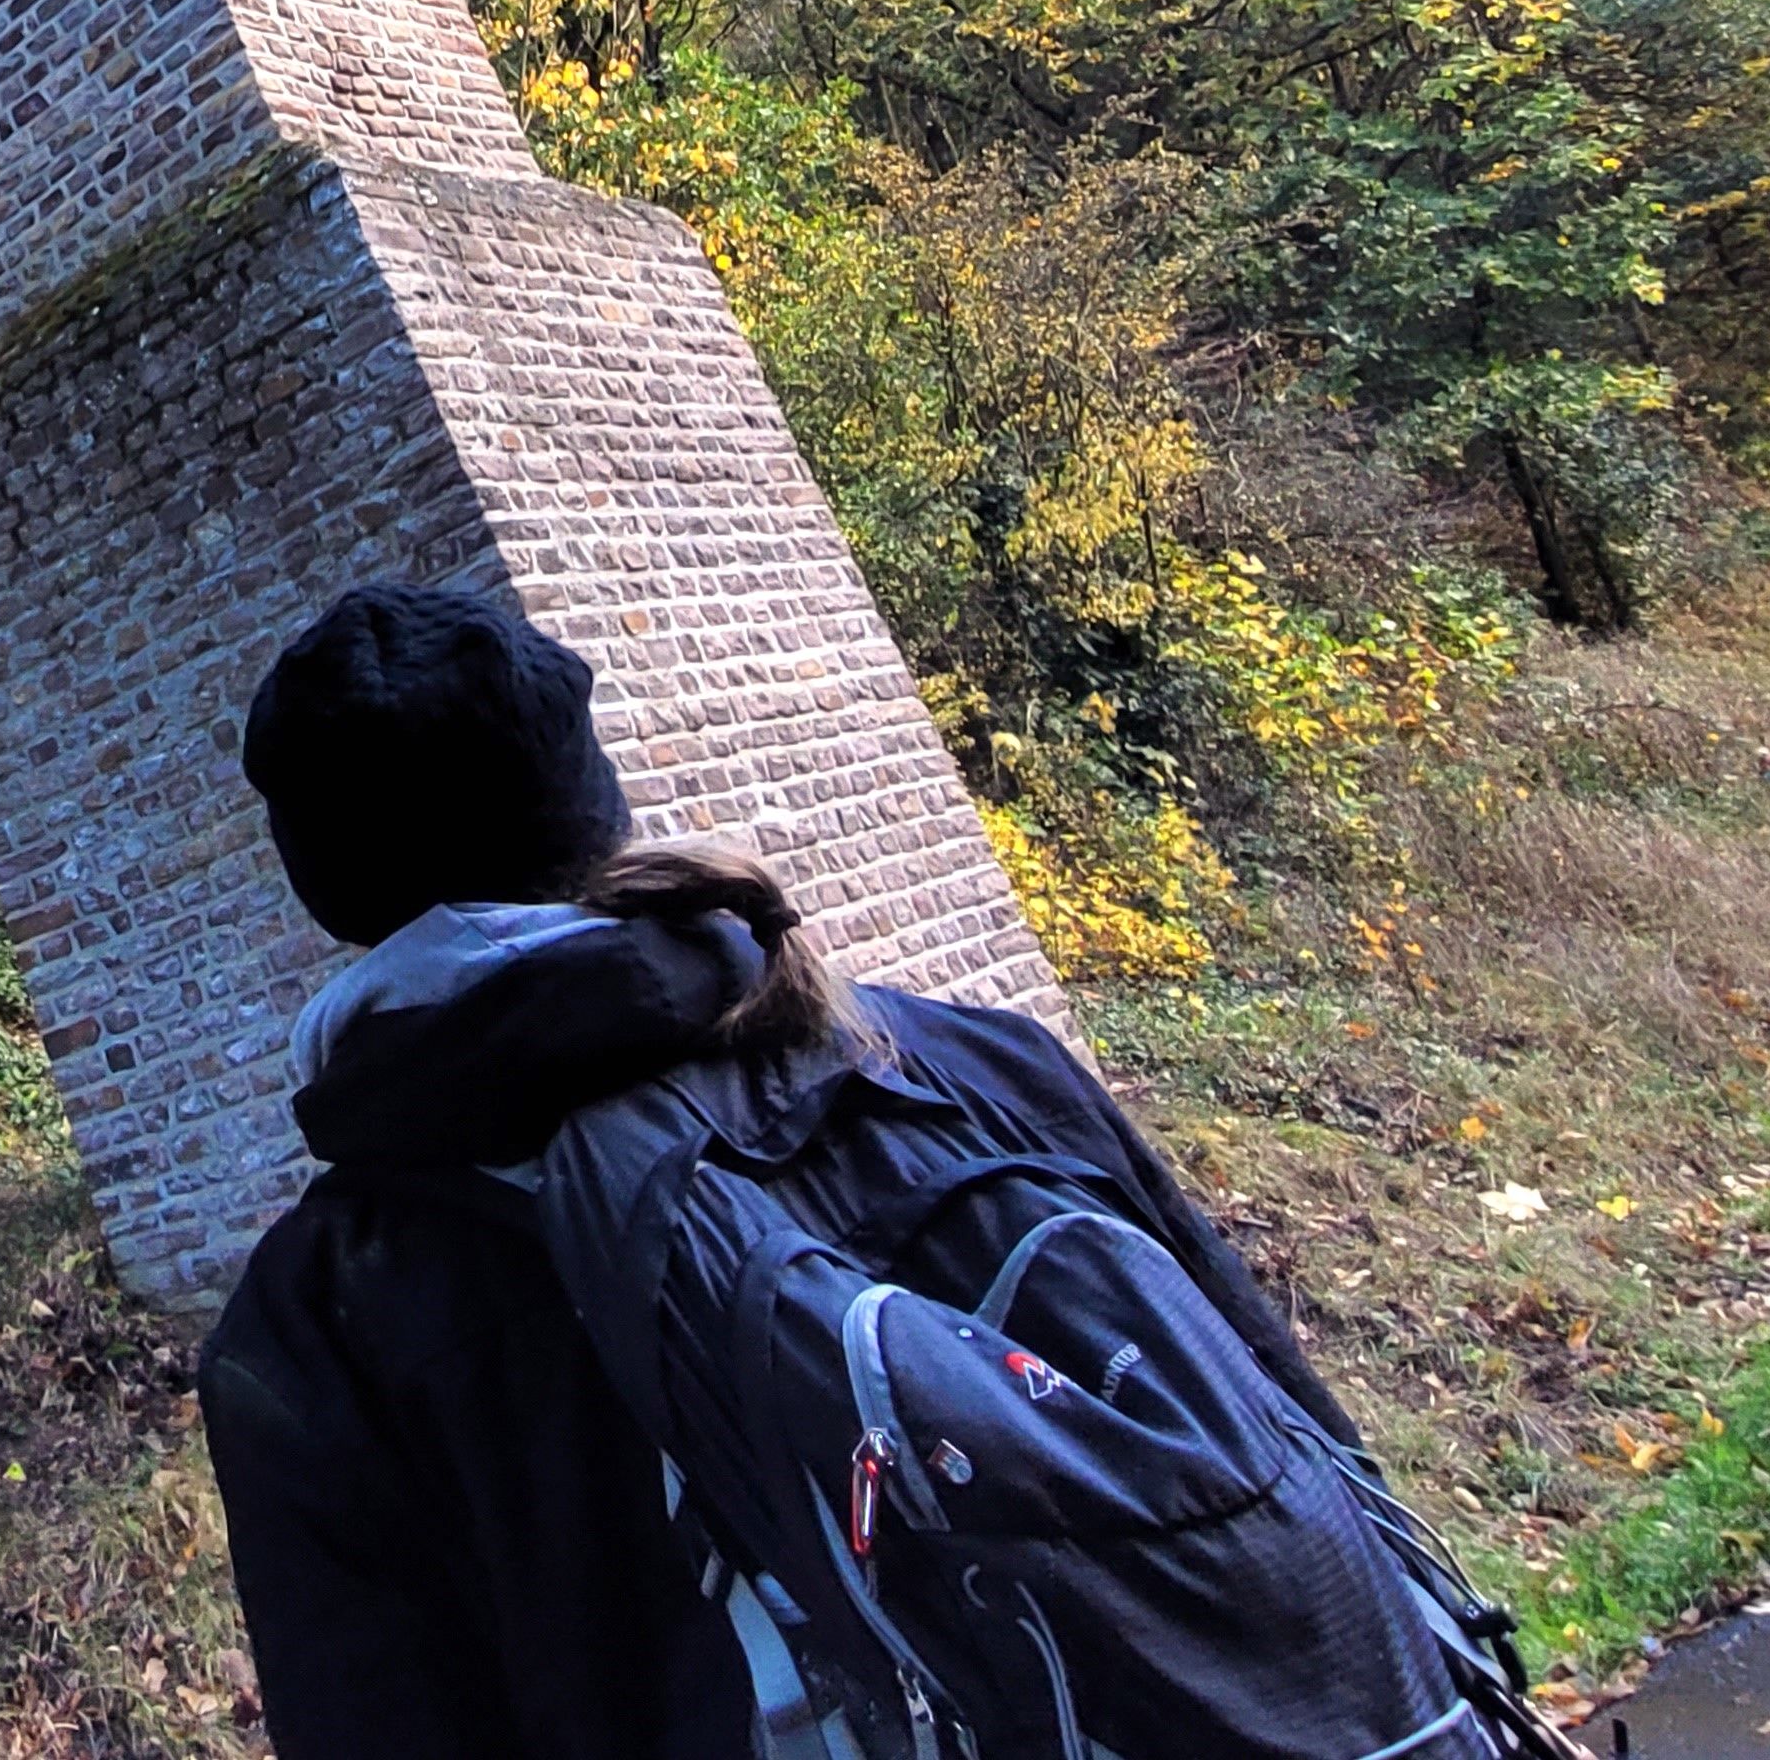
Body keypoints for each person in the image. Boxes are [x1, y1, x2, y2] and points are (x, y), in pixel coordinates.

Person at [195, 582, 1357, 1760]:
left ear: (325, 889)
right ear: (591, 804)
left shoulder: (314, 1327)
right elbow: (1304, 1446)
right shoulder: (974, 1062)